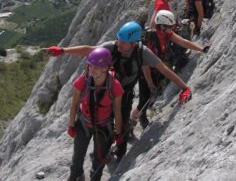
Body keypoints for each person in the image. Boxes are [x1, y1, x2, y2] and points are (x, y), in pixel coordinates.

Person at [47, 21, 192, 162]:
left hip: (125, 95)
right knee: (106, 125)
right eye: (119, 39)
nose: (119, 43)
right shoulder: (113, 47)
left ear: (133, 43)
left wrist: (185, 88)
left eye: (123, 42)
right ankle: (102, 152)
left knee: (122, 126)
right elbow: (89, 50)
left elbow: (164, 70)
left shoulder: (143, 53)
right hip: (107, 93)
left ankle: (120, 153)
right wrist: (63, 51)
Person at [132, 10, 210, 129]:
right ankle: (132, 124)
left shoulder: (167, 34)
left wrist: (201, 49)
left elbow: (183, 42)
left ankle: (144, 113)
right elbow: (145, 65)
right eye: (170, 27)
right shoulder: (150, 39)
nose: (172, 29)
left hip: (157, 69)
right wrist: (149, 83)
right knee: (143, 102)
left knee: (150, 98)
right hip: (145, 73)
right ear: (162, 26)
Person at [66, 47, 124, 181]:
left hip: (104, 127)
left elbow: (117, 111)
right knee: (77, 157)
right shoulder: (83, 81)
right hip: (83, 124)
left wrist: (118, 132)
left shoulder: (114, 86)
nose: (92, 69)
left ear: (105, 68)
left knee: (99, 161)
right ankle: (76, 175)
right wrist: (71, 124)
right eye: (90, 65)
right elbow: (74, 104)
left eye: (96, 67)